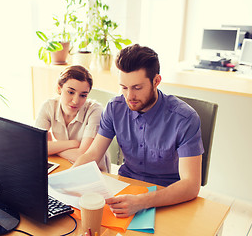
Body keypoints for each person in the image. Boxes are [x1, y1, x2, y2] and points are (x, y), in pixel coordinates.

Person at [73, 44, 204, 217]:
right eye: (124, 87)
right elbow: (92, 155)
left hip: (168, 196)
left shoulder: (185, 119)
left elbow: (191, 185)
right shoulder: (114, 108)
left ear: (156, 81)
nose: (129, 96)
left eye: (137, 88)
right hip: (125, 188)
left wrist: (143, 201)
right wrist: (67, 181)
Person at [35, 65, 110, 172]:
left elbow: (83, 156)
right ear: (59, 88)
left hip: (94, 171)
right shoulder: (48, 106)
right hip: (65, 166)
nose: (75, 101)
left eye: (83, 95)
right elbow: (37, 147)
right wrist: (72, 144)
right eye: (70, 92)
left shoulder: (95, 111)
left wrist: (52, 148)